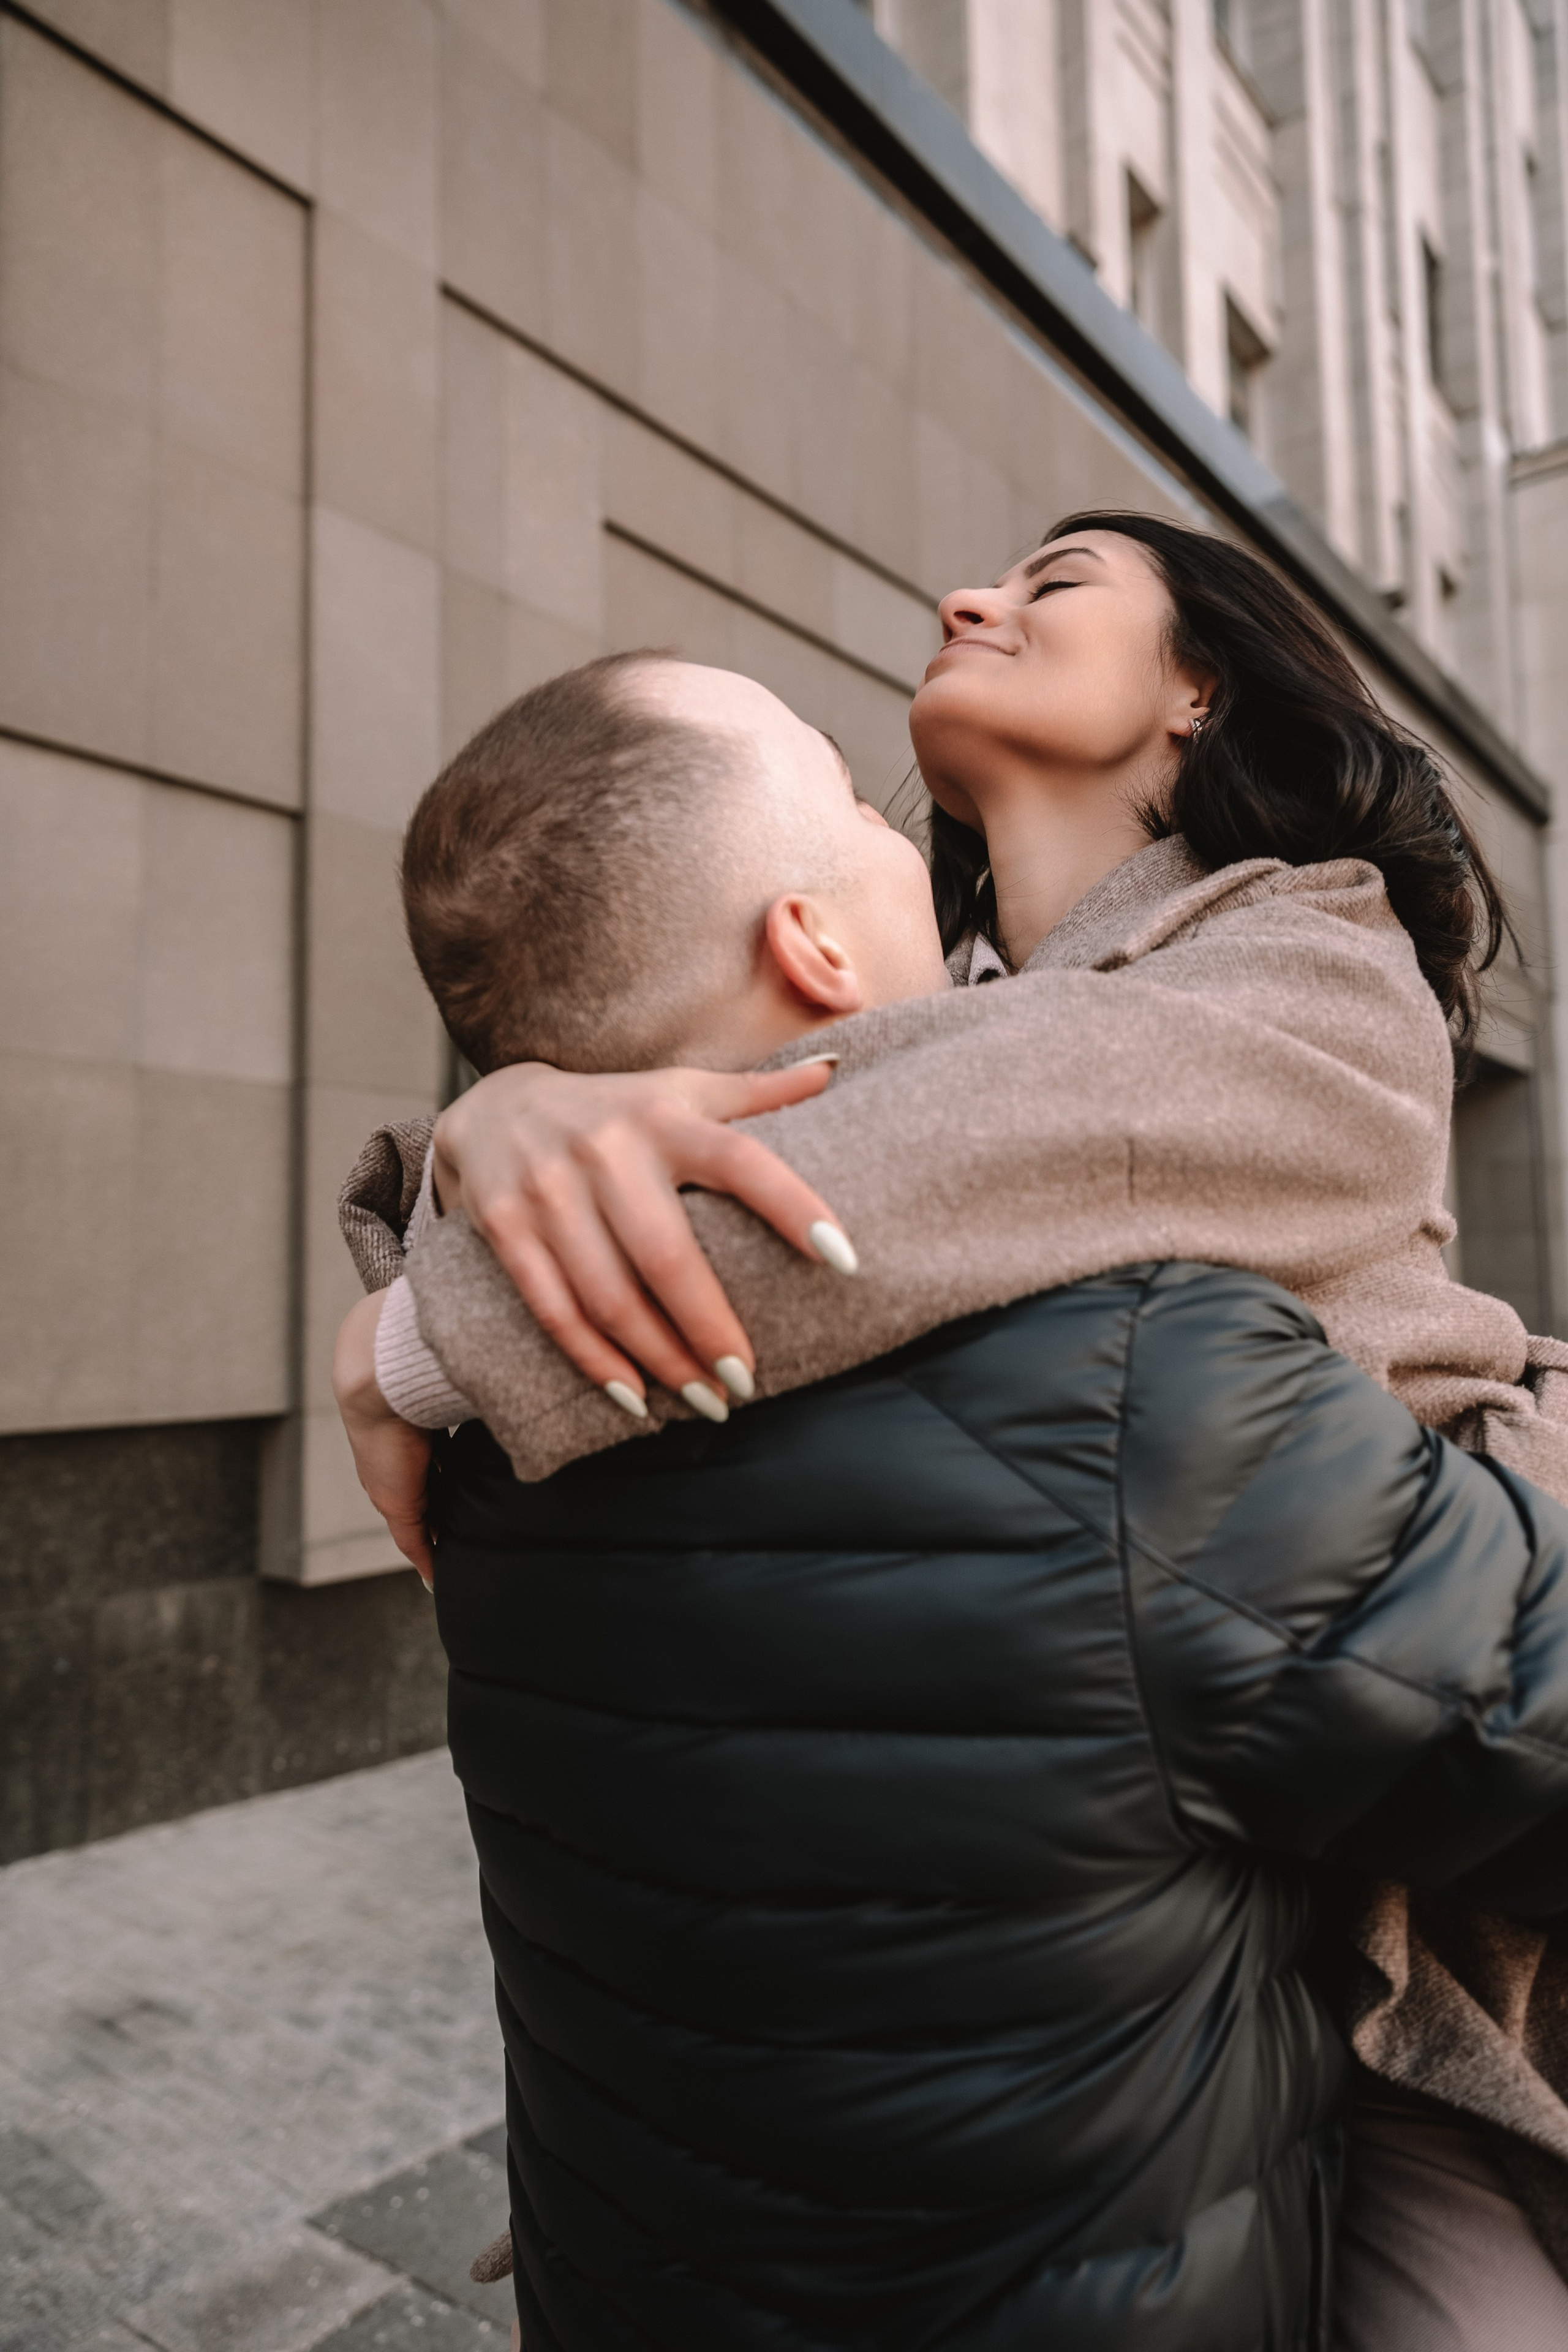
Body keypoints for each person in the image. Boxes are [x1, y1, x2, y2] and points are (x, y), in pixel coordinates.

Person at [334, 519, 1568, 2345]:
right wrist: (517, 1115)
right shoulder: (941, 1003)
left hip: (1413, 1910)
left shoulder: (1300, 955)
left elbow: (918, 1149)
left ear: (1196, 688)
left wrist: (436, 1313)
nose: (968, 597)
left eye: (1057, 583)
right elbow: (862, 1111)